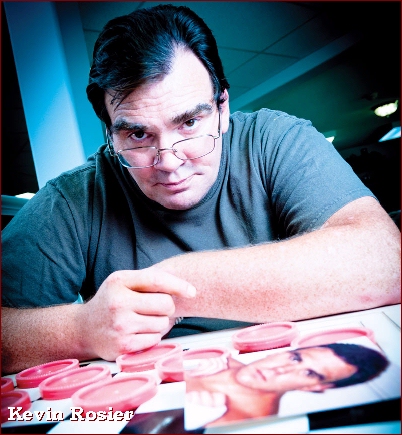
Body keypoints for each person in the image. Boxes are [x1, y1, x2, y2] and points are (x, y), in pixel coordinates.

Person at [1, 4, 400, 374]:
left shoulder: (275, 141)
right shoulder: (74, 198)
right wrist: (80, 329)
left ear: (222, 109)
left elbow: (386, 262)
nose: (169, 161)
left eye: (189, 123)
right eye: (138, 135)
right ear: (110, 134)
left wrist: (174, 282)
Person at [184, 343, 390, 428]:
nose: (280, 370)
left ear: (314, 387)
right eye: (295, 359)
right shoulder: (218, 355)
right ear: (283, 351)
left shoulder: (239, 421)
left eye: (309, 373)